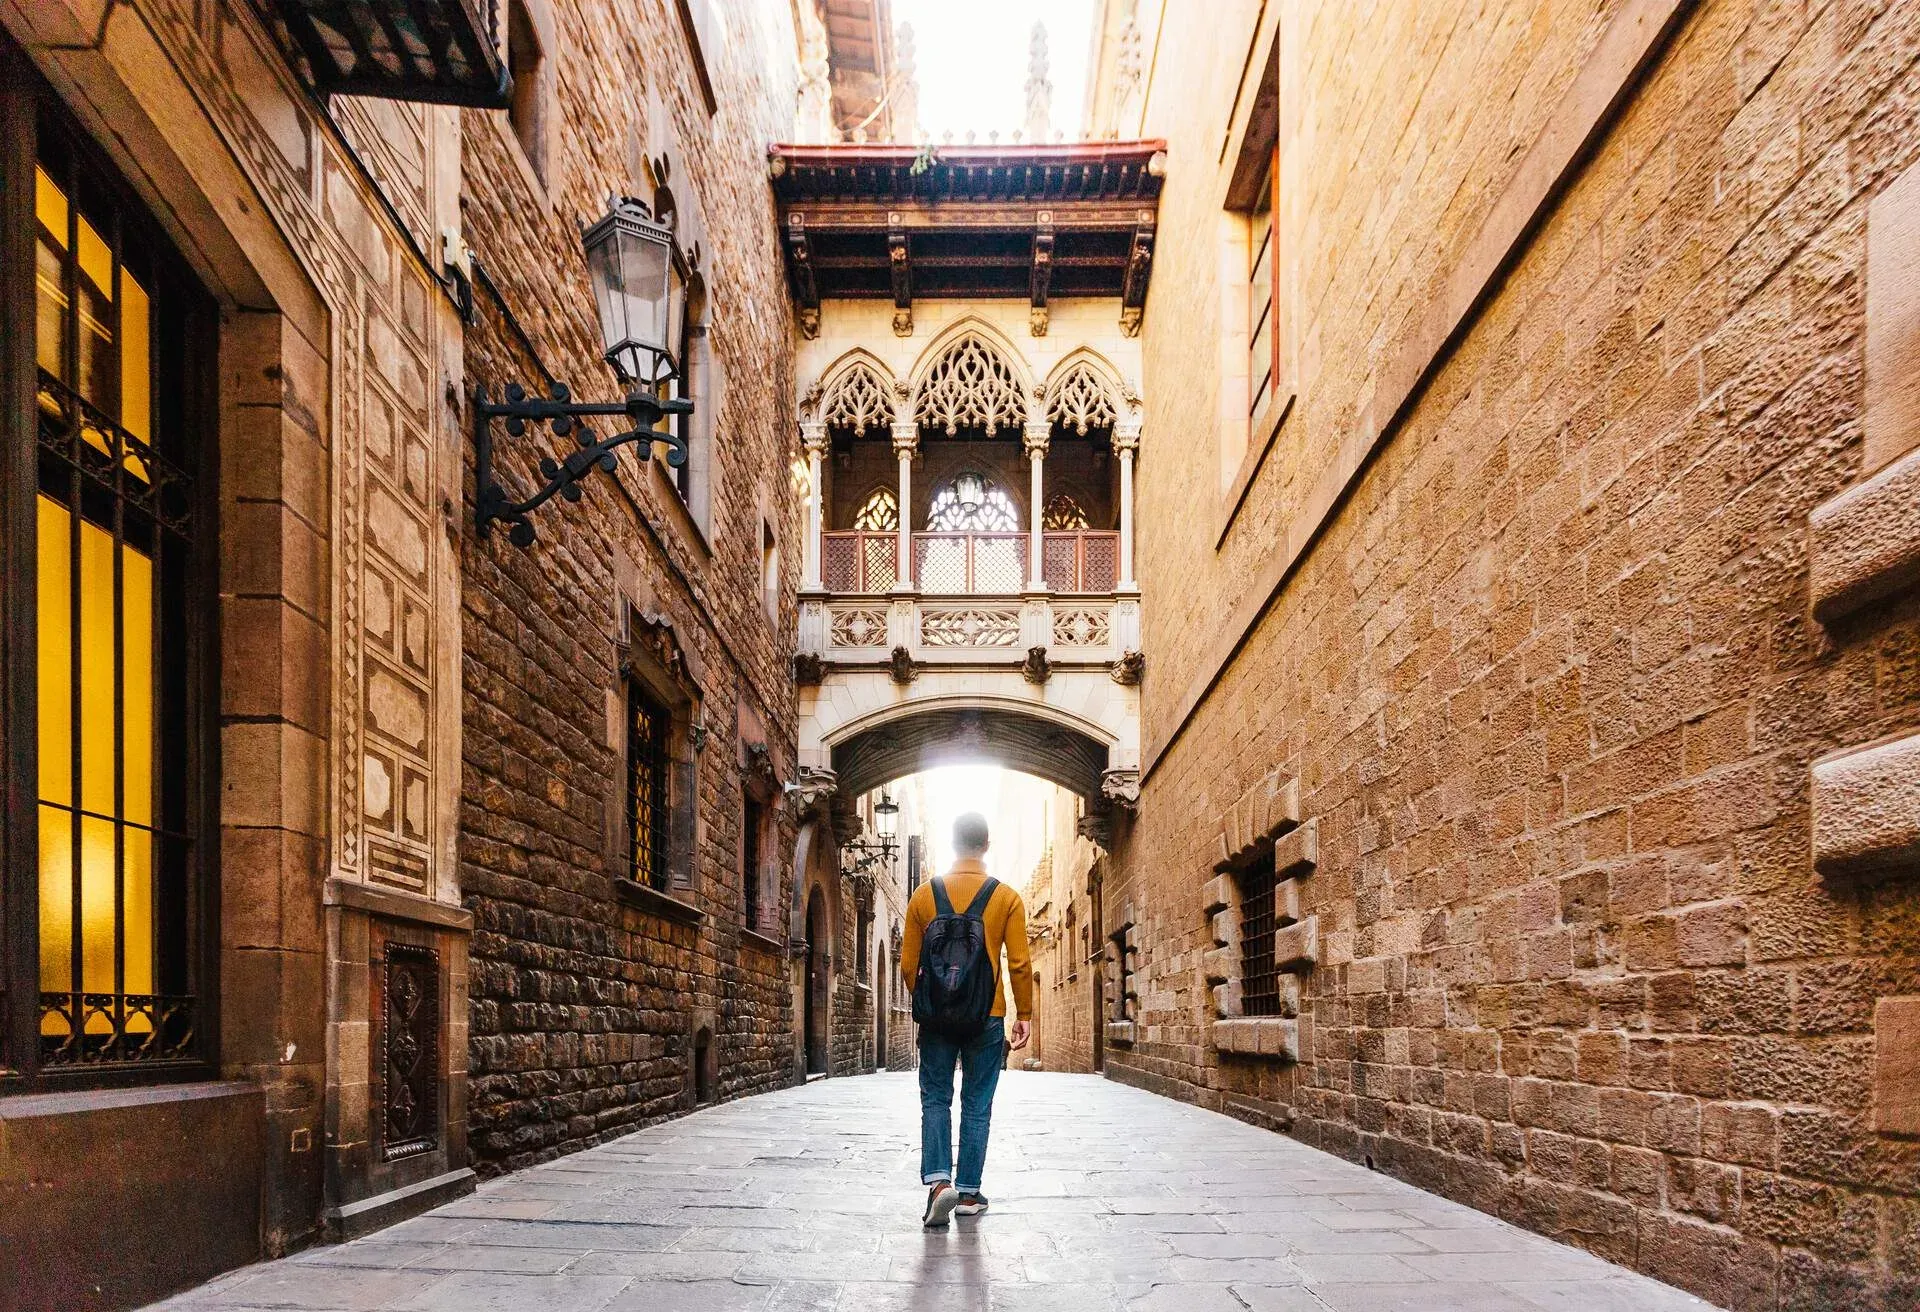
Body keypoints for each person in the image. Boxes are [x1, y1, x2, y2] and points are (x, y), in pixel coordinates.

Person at [898, 811, 1033, 1228]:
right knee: (977, 1103)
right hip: (986, 1016)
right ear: (986, 846)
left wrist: (932, 1001)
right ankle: (970, 1193)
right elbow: (1020, 963)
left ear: (952, 844)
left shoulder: (924, 896)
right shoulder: (1006, 898)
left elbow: (908, 965)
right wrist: (1025, 1013)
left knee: (936, 1098)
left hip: (937, 1019)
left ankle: (939, 1183)